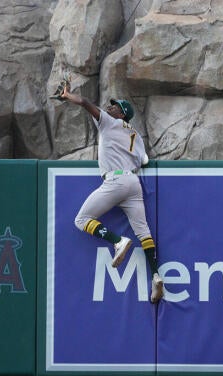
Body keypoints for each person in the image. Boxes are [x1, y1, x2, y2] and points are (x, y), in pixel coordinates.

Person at [58, 83, 164, 304]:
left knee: (81, 219)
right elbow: (144, 161)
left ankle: (117, 242)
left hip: (116, 180)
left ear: (122, 114)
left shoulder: (110, 123)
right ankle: (156, 276)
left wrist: (68, 96)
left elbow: (87, 104)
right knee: (144, 234)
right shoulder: (137, 136)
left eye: (115, 107)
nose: (110, 107)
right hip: (134, 183)